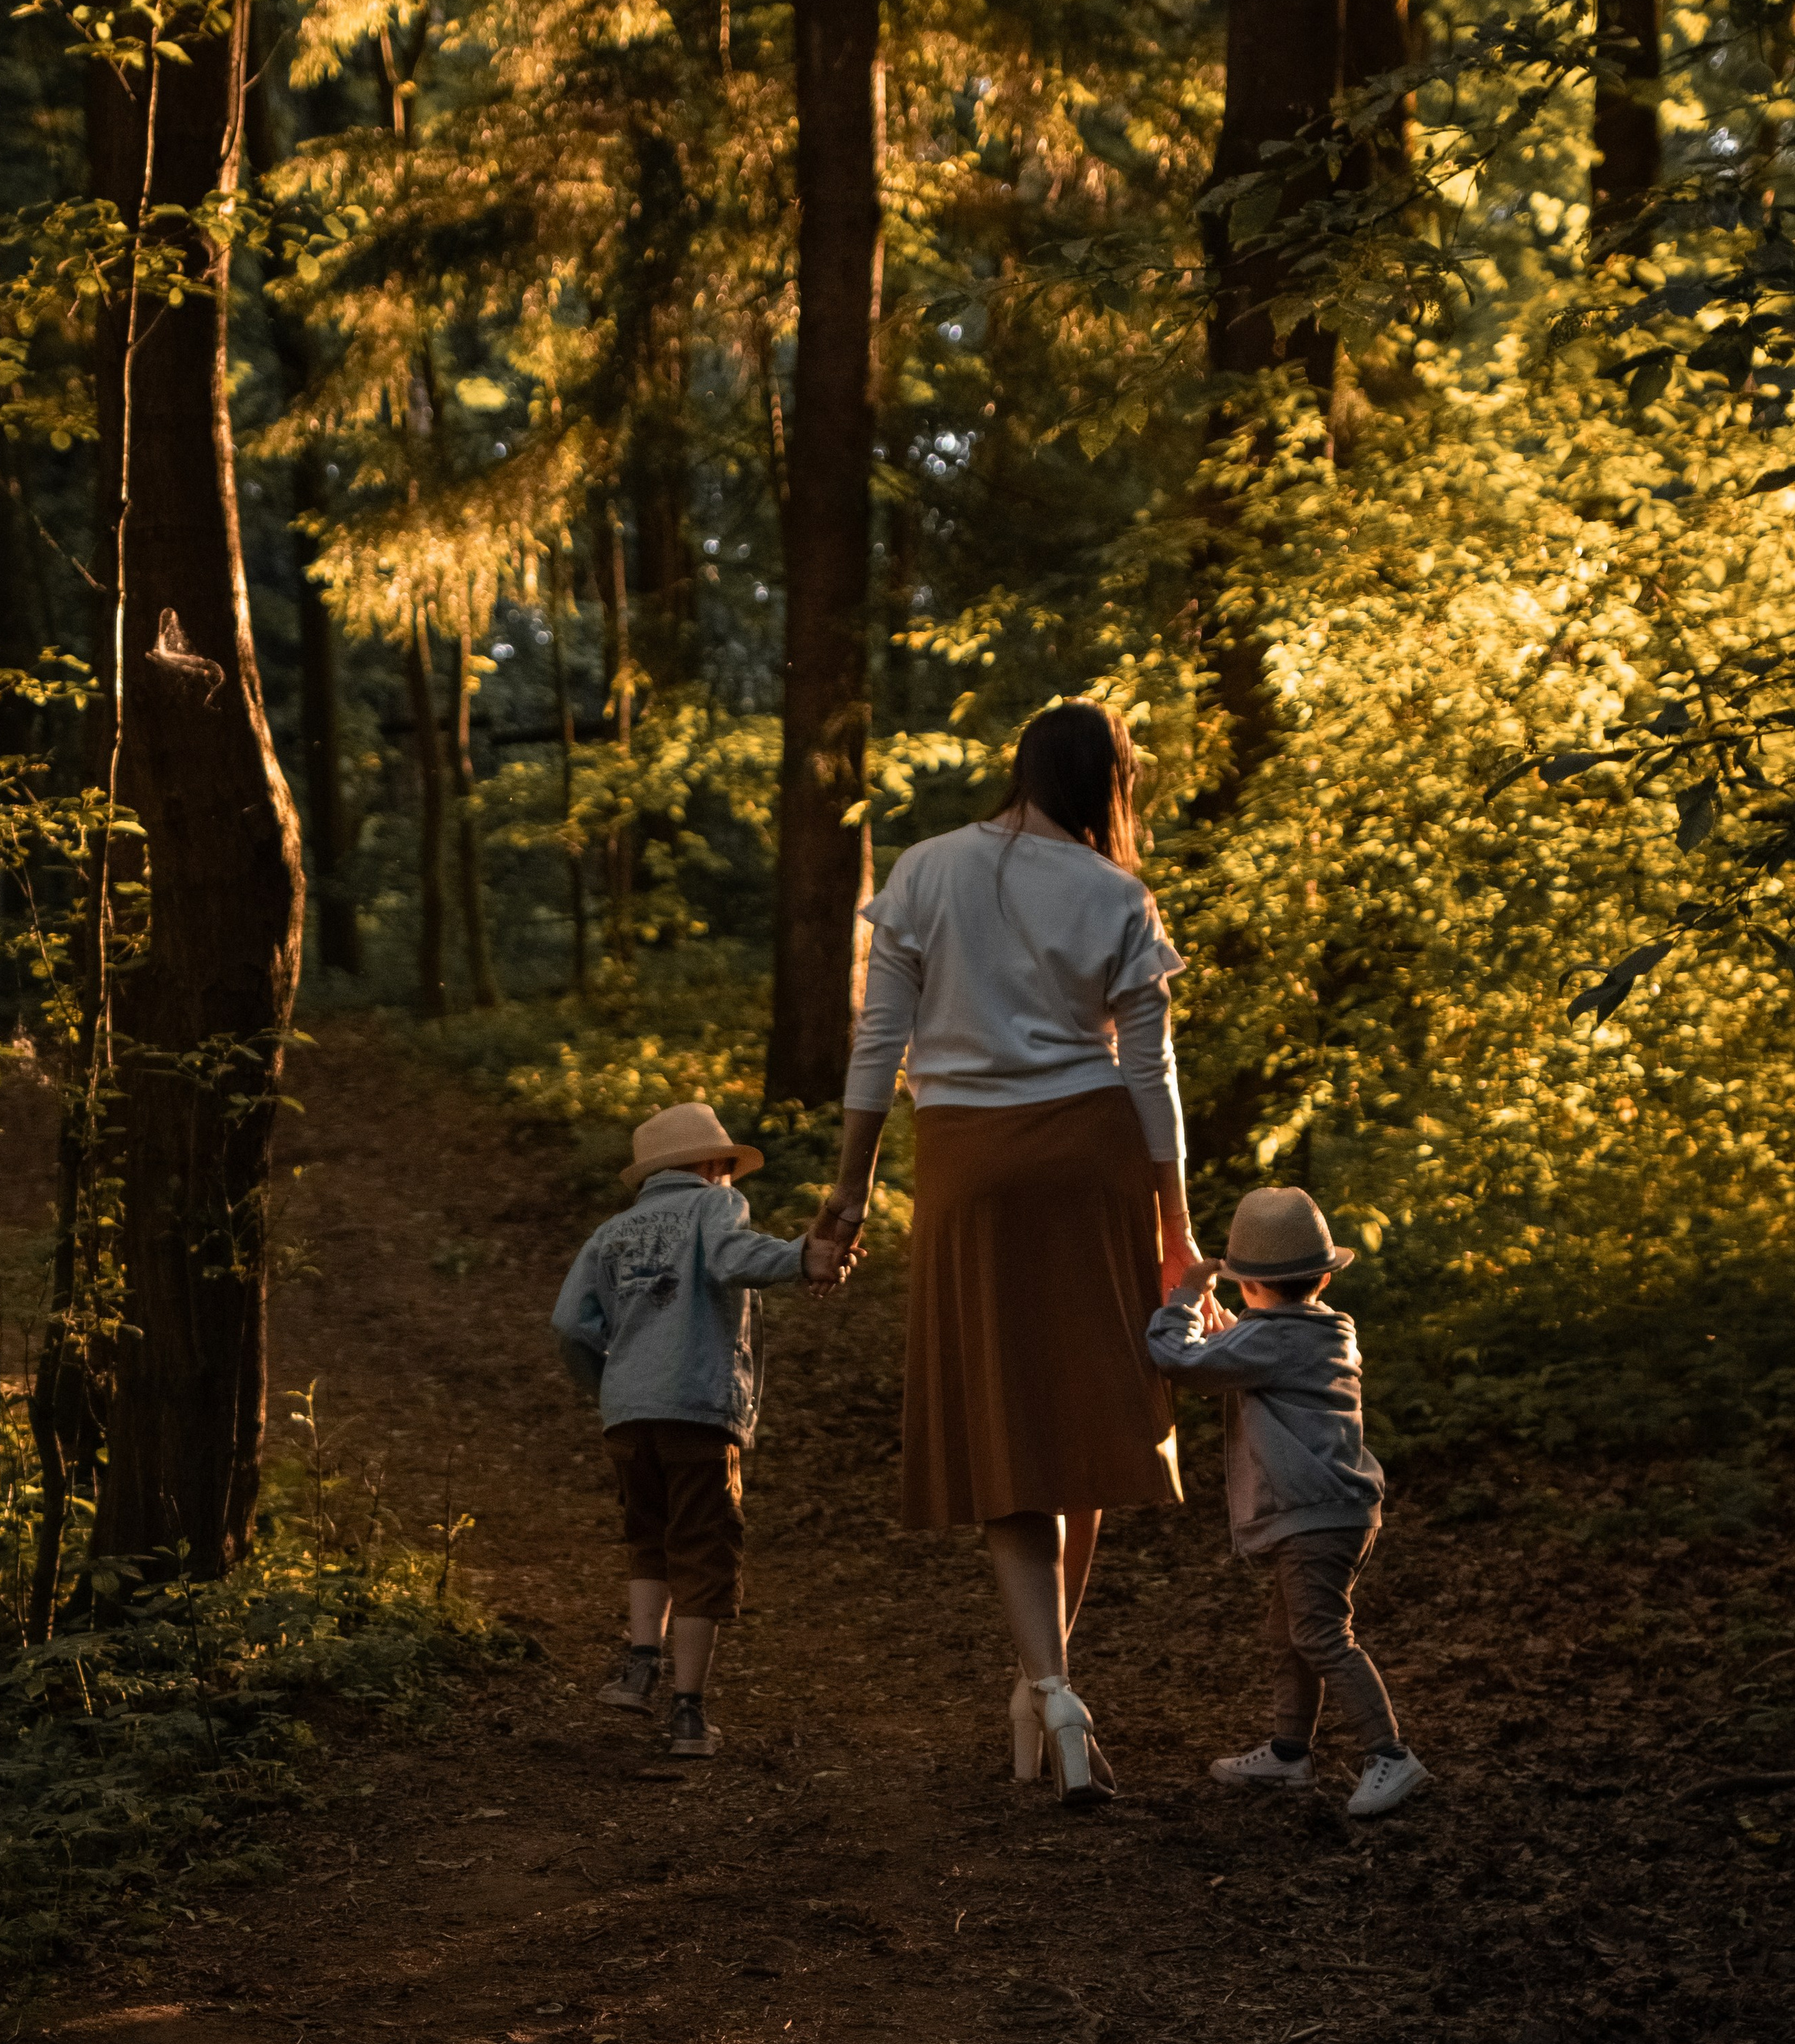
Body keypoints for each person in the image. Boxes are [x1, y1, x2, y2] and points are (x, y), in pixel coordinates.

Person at [809, 698, 1209, 1808]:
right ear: (1107, 784)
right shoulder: (1117, 892)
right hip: (1092, 1160)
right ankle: (1055, 1688)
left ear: (1021, 769)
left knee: (1003, 1419)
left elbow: (877, 1046)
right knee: (1079, 1422)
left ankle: (1049, 1682)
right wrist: (1176, 1227)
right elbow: (1152, 1076)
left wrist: (850, 1189)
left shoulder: (927, 873)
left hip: (968, 1167)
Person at [552, 1100, 852, 1759]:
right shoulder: (715, 1208)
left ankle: (639, 1665)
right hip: (695, 1409)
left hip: (628, 1416)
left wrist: (610, 1389)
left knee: (648, 1538)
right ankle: (688, 1712)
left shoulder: (611, 1232)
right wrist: (805, 1258)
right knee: (703, 1550)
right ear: (715, 1165)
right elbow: (732, 1259)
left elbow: (571, 1324)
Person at [1144, 1183, 1429, 1819]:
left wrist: (1186, 1298)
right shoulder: (1318, 1332)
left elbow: (1175, 1359)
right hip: (1337, 1511)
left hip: (1314, 1517)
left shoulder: (1270, 1341)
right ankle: (1288, 1752)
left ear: (1246, 1284)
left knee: (1322, 1635)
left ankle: (1390, 1755)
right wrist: (1224, 1330)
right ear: (1322, 1281)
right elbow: (1236, 1351)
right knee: (1292, 1635)